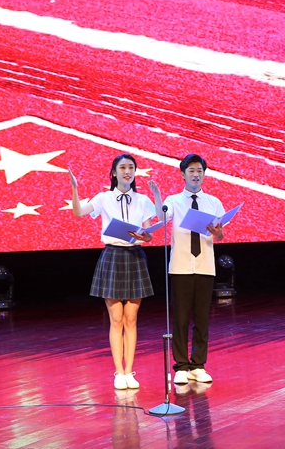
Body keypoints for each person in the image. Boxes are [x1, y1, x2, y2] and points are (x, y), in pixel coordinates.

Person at [69, 154, 156, 390]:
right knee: (116, 320)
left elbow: (149, 235)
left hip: (135, 257)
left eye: (131, 167)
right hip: (113, 256)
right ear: (114, 173)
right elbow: (78, 212)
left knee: (131, 319)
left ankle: (130, 371)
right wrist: (75, 189)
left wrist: (144, 236)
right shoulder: (104, 198)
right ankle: (119, 372)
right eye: (123, 167)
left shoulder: (143, 200)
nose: (127, 172)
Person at [148, 154, 224, 385]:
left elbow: (220, 235)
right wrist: (157, 196)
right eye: (191, 171)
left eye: (199, 170)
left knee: (202, 318)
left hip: (205, 266)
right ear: (183, 174)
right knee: (180, 318)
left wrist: (217, 232)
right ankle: (181, 366)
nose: (196, 175)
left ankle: (198, 365)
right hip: (181, 266)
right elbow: (162, 216)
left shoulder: (213, 202)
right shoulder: (174, 200)